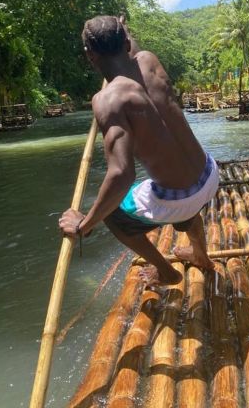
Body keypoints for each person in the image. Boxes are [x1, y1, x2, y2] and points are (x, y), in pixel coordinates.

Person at [58, 15, 219, 286]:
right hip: (209, 176)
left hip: (181, 199)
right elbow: (133, 50)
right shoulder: (149, 60)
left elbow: (121, 174)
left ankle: (165, 271)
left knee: (110, 212)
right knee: (171, 181)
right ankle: (200, 255)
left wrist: (83, 225)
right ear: (125, 41)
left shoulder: (106, 100)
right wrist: (123, 29)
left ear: (90, 55)